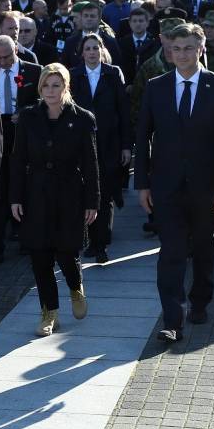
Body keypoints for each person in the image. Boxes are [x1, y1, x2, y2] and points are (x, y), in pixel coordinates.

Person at [135, 22, 214, 343]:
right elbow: (143, 138)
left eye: (188, 48)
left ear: (201, 49)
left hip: (207, 188)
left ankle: (200, 300)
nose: (181, 55)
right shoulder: (156, 87)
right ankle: (172, 320)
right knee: (171, 251)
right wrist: (143, 184)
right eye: (176, 49)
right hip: (166, 187)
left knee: (204, 248)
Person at [9, 65, 99, 336]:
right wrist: (15, 197)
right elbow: (18, 159)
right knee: (40, 255)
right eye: (46, 85)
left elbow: (91, 164)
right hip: (36, 193)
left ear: (66, 87)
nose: (51, 91)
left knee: (66, 251)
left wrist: (92, 201)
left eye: (56, 85)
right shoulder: (28, 117)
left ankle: (75, 286)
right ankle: (49, 313)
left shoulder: (82, 118)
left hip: (70, 193)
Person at [0, 36, 40, 262]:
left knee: (24, 185)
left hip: (23, 132)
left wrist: (25, 112)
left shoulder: (34, 71)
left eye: (7, 56)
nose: (3, 61)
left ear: (16, 49)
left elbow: (43, 101)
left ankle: (27, 240)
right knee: (0, 189)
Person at [73, 35, 129, 262]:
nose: (92, 52)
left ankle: (101, 244)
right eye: (88, 48)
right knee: (86, 194)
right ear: (82, 53)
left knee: (105, 195)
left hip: (109, 143)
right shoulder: (74, 74)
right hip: (82, 144)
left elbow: (123, 111)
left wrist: (126, 145)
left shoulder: (113, 73)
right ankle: (89, 240)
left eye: (96, 48)